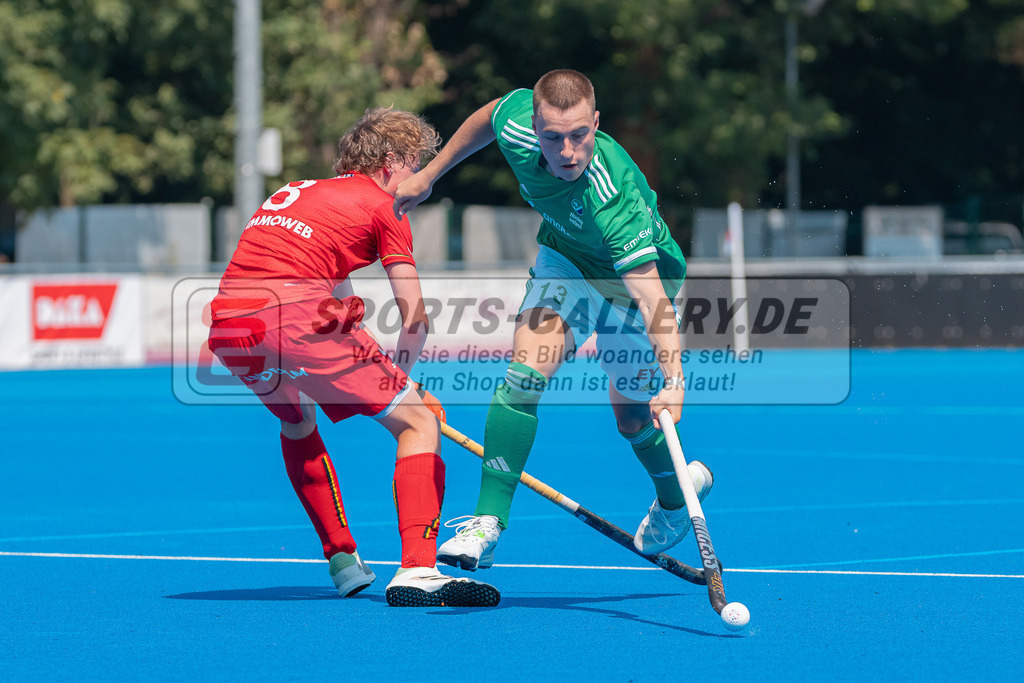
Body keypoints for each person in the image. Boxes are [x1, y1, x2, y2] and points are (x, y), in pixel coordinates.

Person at [393, 69, 714, 570]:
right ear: (536, 126)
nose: (567, 152)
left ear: (597, 123)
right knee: (523, 376)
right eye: (553, 137)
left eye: (581, 135)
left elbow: (651, 297)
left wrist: (675, 380)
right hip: (564, 263)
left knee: (632, 418)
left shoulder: (613, 196)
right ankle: (487, 523)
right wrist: (429, 174)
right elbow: (490, 115)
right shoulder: (520, 123)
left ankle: (674, 497)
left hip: (627, 288)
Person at [206, 107, 499, 607]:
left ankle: (342, 561)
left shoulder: (298, 191)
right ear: (392, 160)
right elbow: (415, 317)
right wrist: (401, 386)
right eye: (415, 164)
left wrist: (373, 367)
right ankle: (418, 570)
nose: (418, 179)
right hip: (293, 317)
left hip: (230, 325)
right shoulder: (387, 208)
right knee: (422, 419)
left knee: (297, 423)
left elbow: (332, 290)